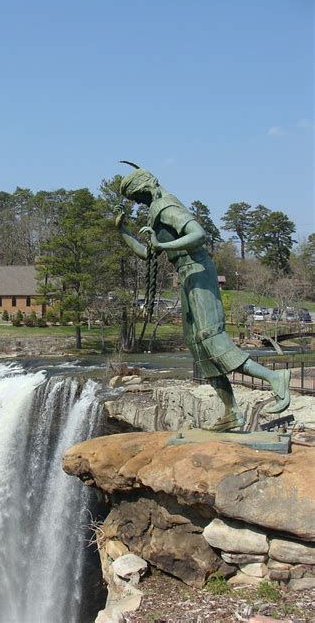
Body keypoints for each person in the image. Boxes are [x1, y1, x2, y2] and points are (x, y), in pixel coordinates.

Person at [115, 164, 290, 431]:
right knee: (199, 346)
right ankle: (231, 411)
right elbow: (148, 253)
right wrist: (123, 231)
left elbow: (198, 234)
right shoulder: (155, 212)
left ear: (146, 187)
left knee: (212, 338)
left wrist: (164, 245)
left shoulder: (166, 206)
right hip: (187, 276)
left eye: (138, 197)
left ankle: (275, 378)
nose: (138, 203)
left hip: (199, 273)